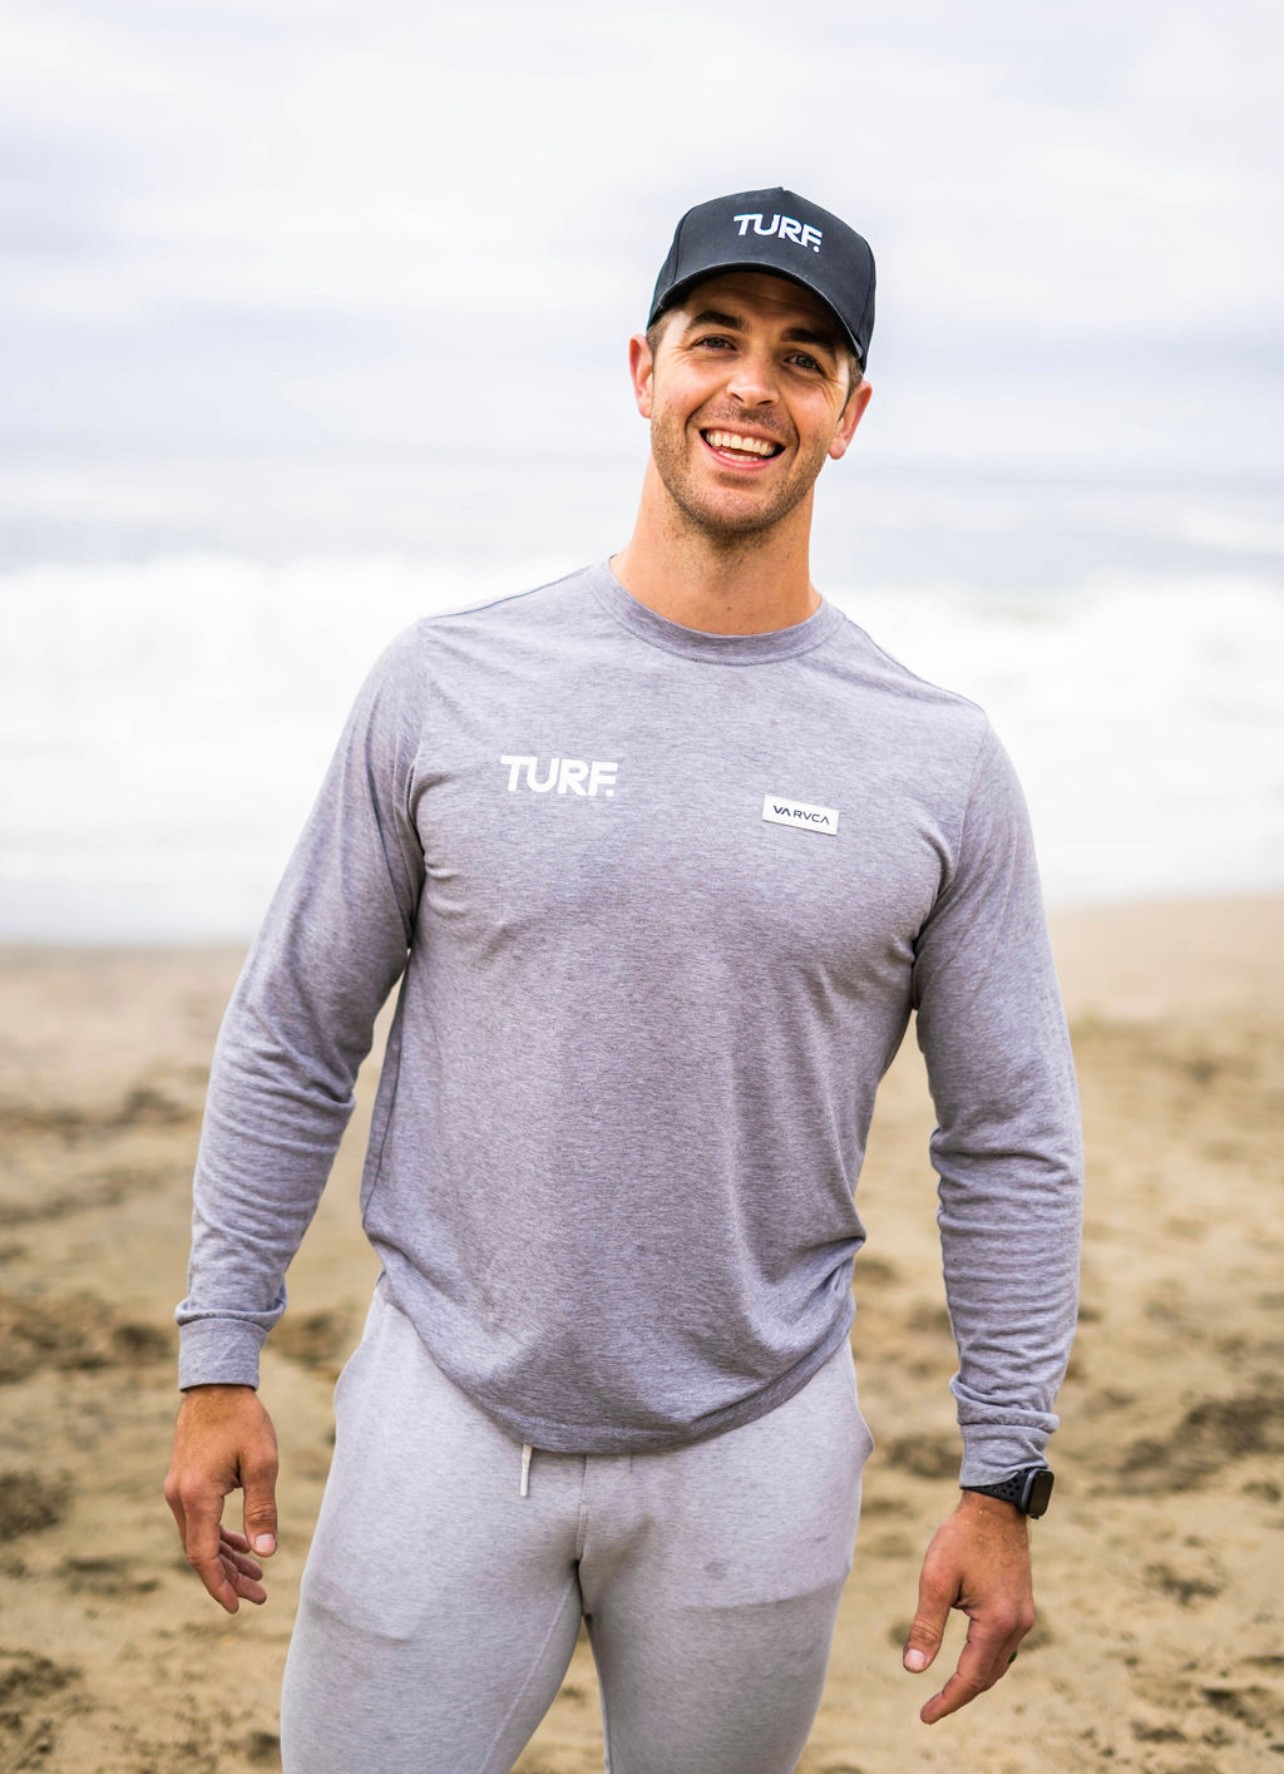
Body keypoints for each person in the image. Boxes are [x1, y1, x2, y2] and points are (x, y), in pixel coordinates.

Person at [165, 186, 1082, 1774]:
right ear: (644, 368)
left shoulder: (939, 760)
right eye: (715, 339)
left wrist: (1004, 1475)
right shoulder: (448, 683)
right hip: (445, 1407)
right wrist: (217, 1356)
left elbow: (1009, 1136)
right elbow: (296, 1031)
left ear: (851, 413)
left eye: (802, 359)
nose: (752, 386)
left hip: (758, 1441)